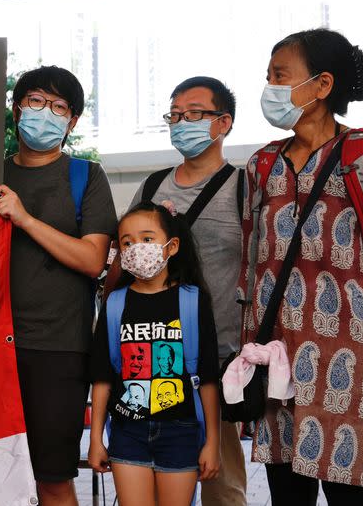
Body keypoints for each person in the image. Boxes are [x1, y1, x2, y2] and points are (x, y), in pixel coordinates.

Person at [238, 28, 363, 506]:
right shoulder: (262, 165)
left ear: (322, 85)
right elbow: (251, 268)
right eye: (268, 75)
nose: (269, 86)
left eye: (280, 75)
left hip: (350, 358)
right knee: (287, 498)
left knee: (349, 497)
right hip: (274, 355)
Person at [0, 65, 117, 506]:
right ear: (16, 109)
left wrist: (24, 218)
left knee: (53, 478)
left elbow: (92, 259)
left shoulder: (86, 176)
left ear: (73, 121)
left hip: (57, 347)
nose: (45, 113)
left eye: (59, 106)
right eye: (36, 102)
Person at [122, 76, 247, 506]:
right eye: (174, 115)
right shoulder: (153, 187)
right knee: (150, 479)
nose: (181, 122)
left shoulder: (244, 188)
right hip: (151, 356)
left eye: (193, 114)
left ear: (223, 122)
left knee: (222, 483)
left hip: (219, 357)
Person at [89, 202, 221, 506]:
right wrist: (96, 439)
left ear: (171, 246)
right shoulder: (115, 304)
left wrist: (213, 442)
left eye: (147, 239)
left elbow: (209, 379)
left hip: (182, 433)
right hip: (128, 432)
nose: (137, 248)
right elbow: (102, 378)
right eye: (127, 242)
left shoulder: (193, 301)